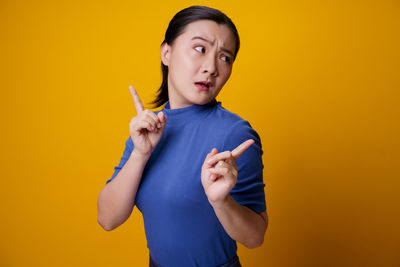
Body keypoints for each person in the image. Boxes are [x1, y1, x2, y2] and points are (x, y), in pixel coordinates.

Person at [97, 5, 268, 267]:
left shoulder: (235, 134)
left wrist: (221, 202)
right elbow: (107, 219)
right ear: (167, 52)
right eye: (200, 49)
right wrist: (140, 154)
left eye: (225, 57)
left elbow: (255, 237)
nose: (211, 67)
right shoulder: (148, 129)